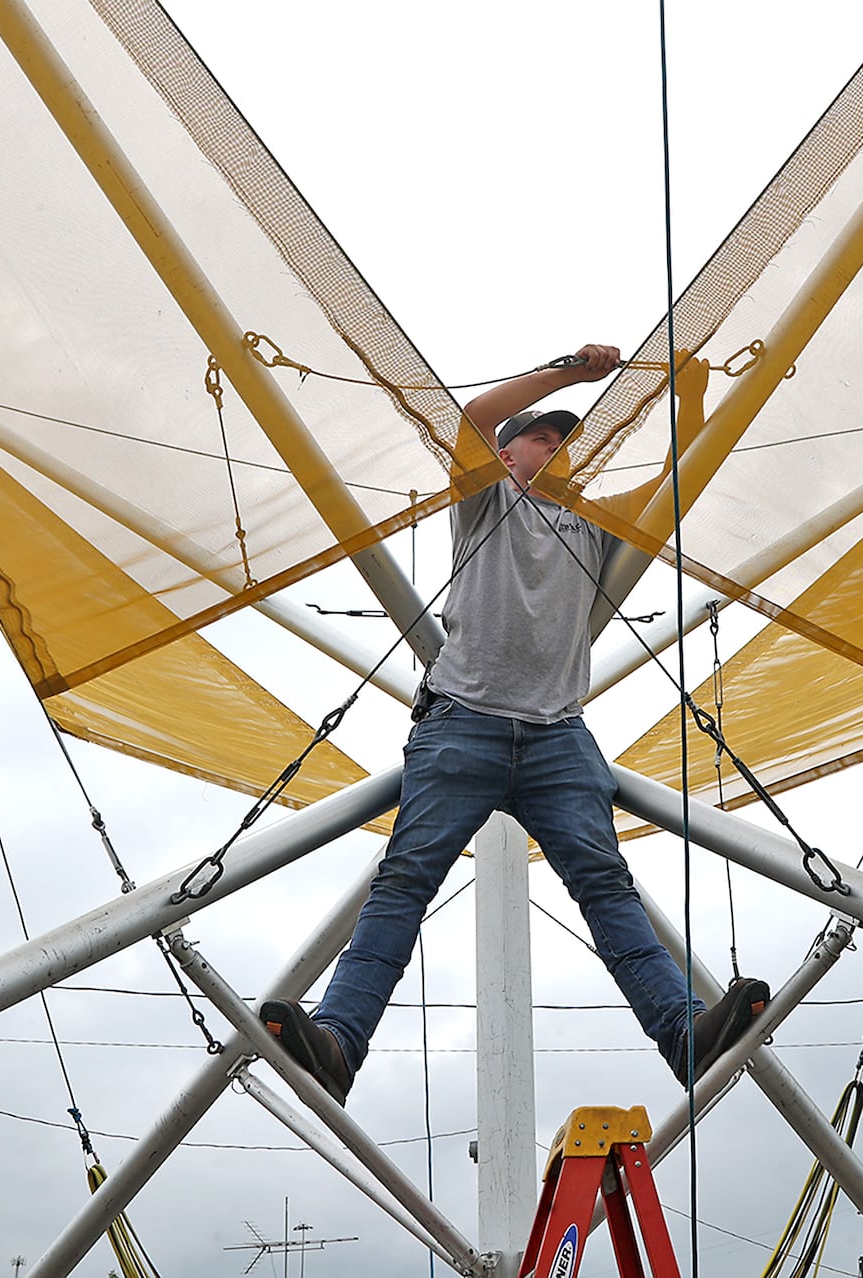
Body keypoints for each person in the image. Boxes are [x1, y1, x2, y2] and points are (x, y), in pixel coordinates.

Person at [262, 343, 768, 1105]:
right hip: (463, 721)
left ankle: (685, 1033)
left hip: (559, 734)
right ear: (508, 454)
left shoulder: (594, 527)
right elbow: (469, 417)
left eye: (567, 442)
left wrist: (688, 396)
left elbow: (680, 480)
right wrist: (573, 373)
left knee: (608, 888)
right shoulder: (485, 503)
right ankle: (339, 1042)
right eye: (544, 438)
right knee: (402, 884)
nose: (559, 448)